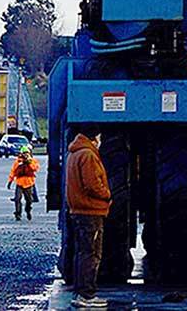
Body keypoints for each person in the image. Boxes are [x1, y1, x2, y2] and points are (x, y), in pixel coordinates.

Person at [65, 130, 112, 308]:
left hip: (79, 211)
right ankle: (87, 295)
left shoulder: (75, 153)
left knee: (82, 253)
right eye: (100, 137)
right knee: (92, 254)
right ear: (94, 138)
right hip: (91, 212)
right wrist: (107, 195)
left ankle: (81, 293)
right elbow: (92, 184)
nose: (100, 141)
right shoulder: (88, 155)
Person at [7, 144, 39, 221]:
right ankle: (18, 214)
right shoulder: (17, 162)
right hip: (19, 183)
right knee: (17, 199)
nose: (25, 155)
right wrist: (10, 181)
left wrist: (29, 162)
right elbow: (13, 172)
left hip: (29, 183)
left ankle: (28, 211)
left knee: (29, 200)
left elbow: (35, 168)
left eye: (26, 153)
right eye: (23, 153)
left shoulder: (33, 161)